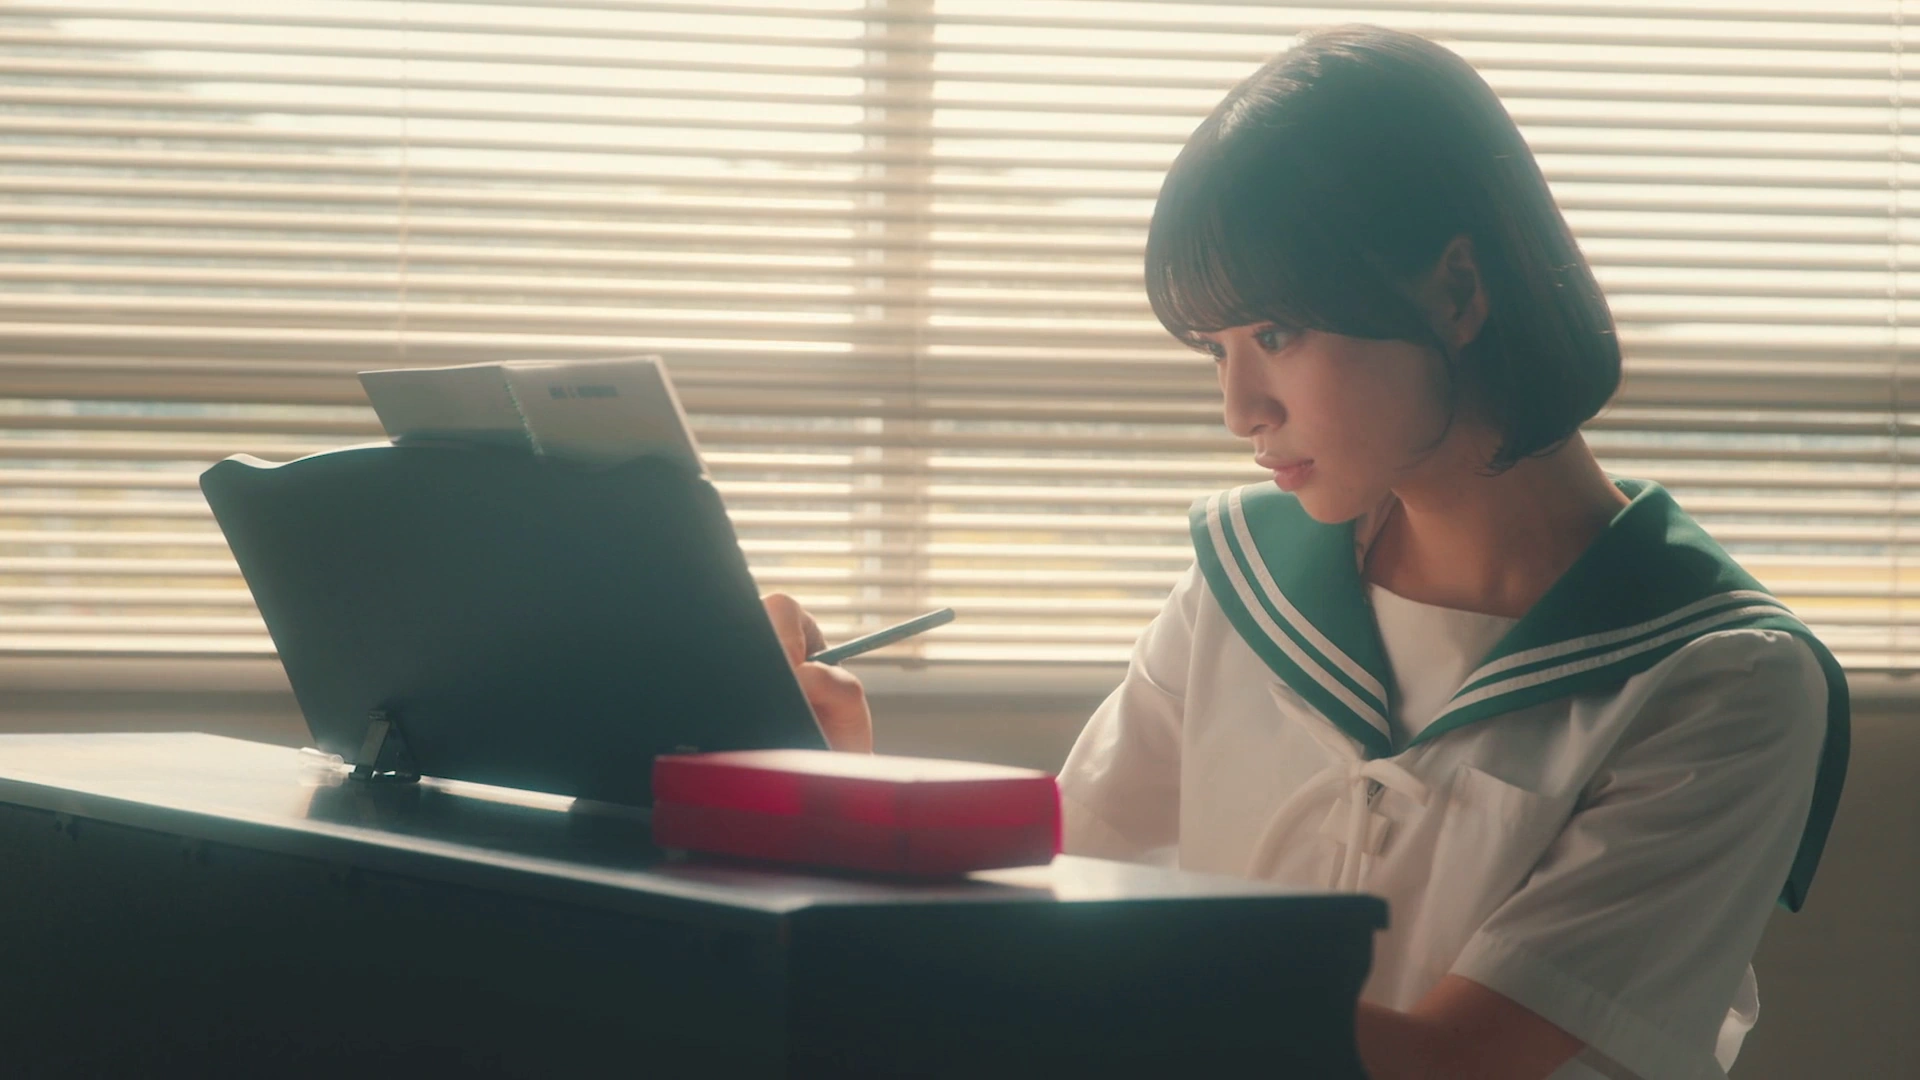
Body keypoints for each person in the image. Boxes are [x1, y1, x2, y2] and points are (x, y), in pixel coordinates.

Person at [761, 24, 1848, 1080]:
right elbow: (1046, 885)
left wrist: (1080, 966)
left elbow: (1454, 1062)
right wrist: (831, 780)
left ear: (1458, 292)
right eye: (1216, 350)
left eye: (1275, 335)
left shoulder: (1723, 678)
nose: (1240, 408)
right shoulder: (1241, 581)